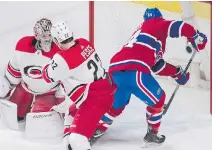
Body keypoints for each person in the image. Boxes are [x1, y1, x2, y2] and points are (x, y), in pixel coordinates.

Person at [97, 7, 207, 146]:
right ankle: (152, 134)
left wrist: (177, 73)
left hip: (115, 69)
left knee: (116, 105)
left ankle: (97, 129)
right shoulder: (155, 23)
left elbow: (157, 66)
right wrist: (195, 36)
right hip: (135, 70)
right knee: (158, 100)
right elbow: (181, 26)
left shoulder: (143, 34)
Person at [41, 20, 116, 150]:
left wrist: (51, 62)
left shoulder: (62, 58)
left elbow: (47, 76)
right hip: (104, 89)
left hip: (94, 99)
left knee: (77, 139)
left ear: (57, 41)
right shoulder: (85, 43)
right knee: (69, 114)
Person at [0, 18, 65, 124]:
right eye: (44, 36)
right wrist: (5, 88)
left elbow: (66, 78)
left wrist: (61, 97)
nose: (47, 39)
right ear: (37, 36)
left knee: (38, 122)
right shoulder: (23, 46)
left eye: (50, 35)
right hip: (26, 88)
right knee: (12, 116)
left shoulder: (59, 51)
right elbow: (15, 71)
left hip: (49, 92)